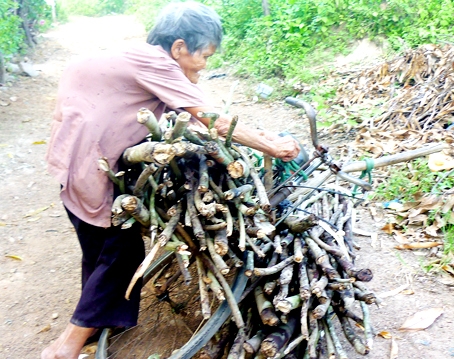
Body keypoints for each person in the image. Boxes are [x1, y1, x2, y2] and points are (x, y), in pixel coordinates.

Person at [42, 2, 300, 358]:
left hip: (69, 159)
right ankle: (68, 344)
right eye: (204, 55)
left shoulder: (131, 55)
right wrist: (272, 145)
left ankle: (97, 323)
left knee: (98, 246)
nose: (204, 65)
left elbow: (189, 119)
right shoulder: (158, 63)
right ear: (179, 47)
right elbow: (214, 121)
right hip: (93, 166)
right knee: (121, 253)